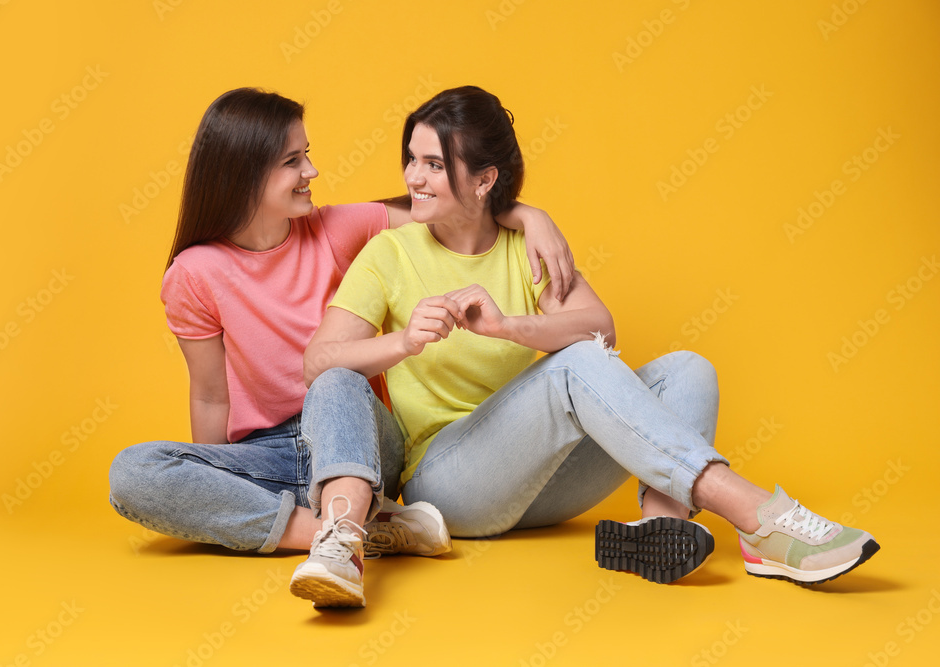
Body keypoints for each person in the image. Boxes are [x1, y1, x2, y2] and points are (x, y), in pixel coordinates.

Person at [304, 85, 880, 592]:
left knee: (688, 369)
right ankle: (758, 516)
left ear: (484, 180)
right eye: (412, 159)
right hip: (451, 486)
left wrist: (507, 325)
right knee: (575, 363)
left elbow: (601, 328)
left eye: (432, 164)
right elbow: (319, 363)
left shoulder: (524, 247)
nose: (412, 178)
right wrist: (404, 341)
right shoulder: (389, 252)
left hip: (545, 488)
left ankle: (662, 527)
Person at [107, 87, 576, 608]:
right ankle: (355, 530)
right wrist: (211, 479)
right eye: (293, 160)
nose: (311, 170)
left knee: (334, 379)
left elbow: (452, 205)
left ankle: (341, 531)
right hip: (274, 456)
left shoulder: (333, 229)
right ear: (244, 172)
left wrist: (530, 216)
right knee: (133, 473)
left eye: (306, 154)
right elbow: (210, 396)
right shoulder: (193, 274)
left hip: (363, 435)